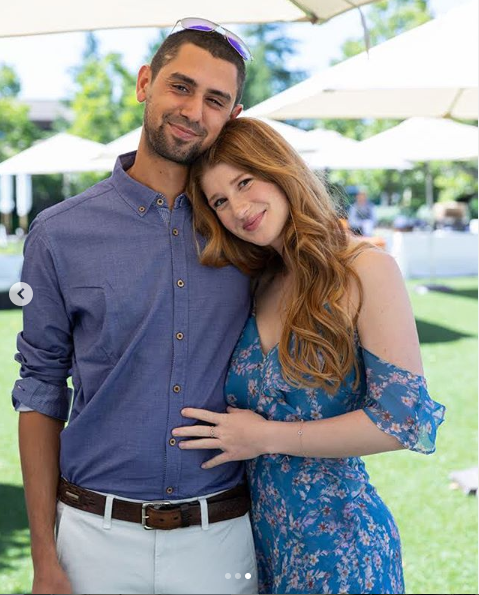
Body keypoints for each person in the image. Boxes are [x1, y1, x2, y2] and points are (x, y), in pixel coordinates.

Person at [12, 21, 260, 595]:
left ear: (233, 116)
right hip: (92, 540)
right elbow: (41, 388)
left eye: (215, 100)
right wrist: (45, 556)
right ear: (145, 82)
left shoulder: (249, 233)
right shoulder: (58, 234)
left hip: (220, 540)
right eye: (181, 86)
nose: (193, 111)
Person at [172, 117, 445, 595]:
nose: (238, 208)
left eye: (244, 182)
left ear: (279, 170)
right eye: (220, 201)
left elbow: (403, 421)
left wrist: (264, 437)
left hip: (343, 551)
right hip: (260, 549)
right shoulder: (259, 281)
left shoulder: (365, 268)